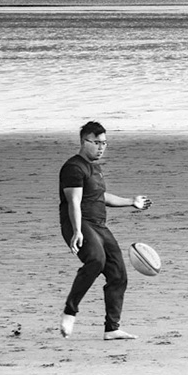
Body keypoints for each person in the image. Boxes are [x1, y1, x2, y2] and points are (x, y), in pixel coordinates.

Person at [58, 121, 153, 340]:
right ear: (85, 142)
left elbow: (101, 197)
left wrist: (131, 201)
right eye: (97, 142)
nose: (101, 147)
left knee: (118, 274)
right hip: (81, 224)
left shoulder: (95, 168)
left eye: (104, 143)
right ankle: (70, 311)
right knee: (96, 260)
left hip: (99, 226)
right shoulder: (74, 167)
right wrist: (76, 231)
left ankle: (112, 328)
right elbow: (74, 201)